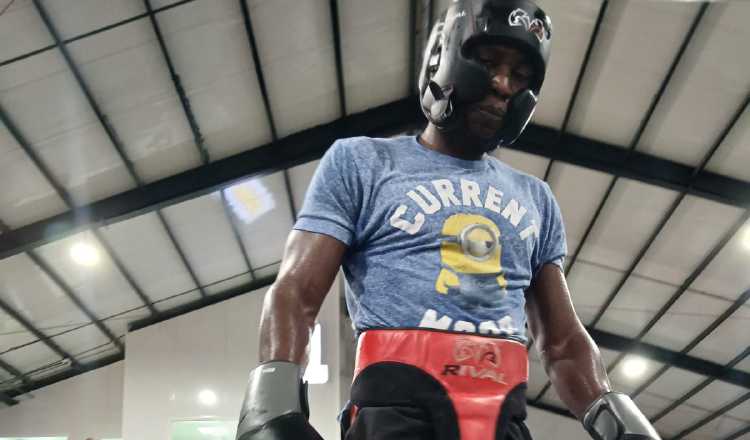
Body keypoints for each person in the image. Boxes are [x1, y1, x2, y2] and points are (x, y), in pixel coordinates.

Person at [234, 1, 661, 439]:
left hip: (503, 420)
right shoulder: (361, 161)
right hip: (395, 413)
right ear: (443, 57)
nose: (501, 84)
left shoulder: (537, 198)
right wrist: (272, 405)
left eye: (519, 76)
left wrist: (623, 425)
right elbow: (296, 292)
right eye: (490, 62)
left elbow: (563, 342)